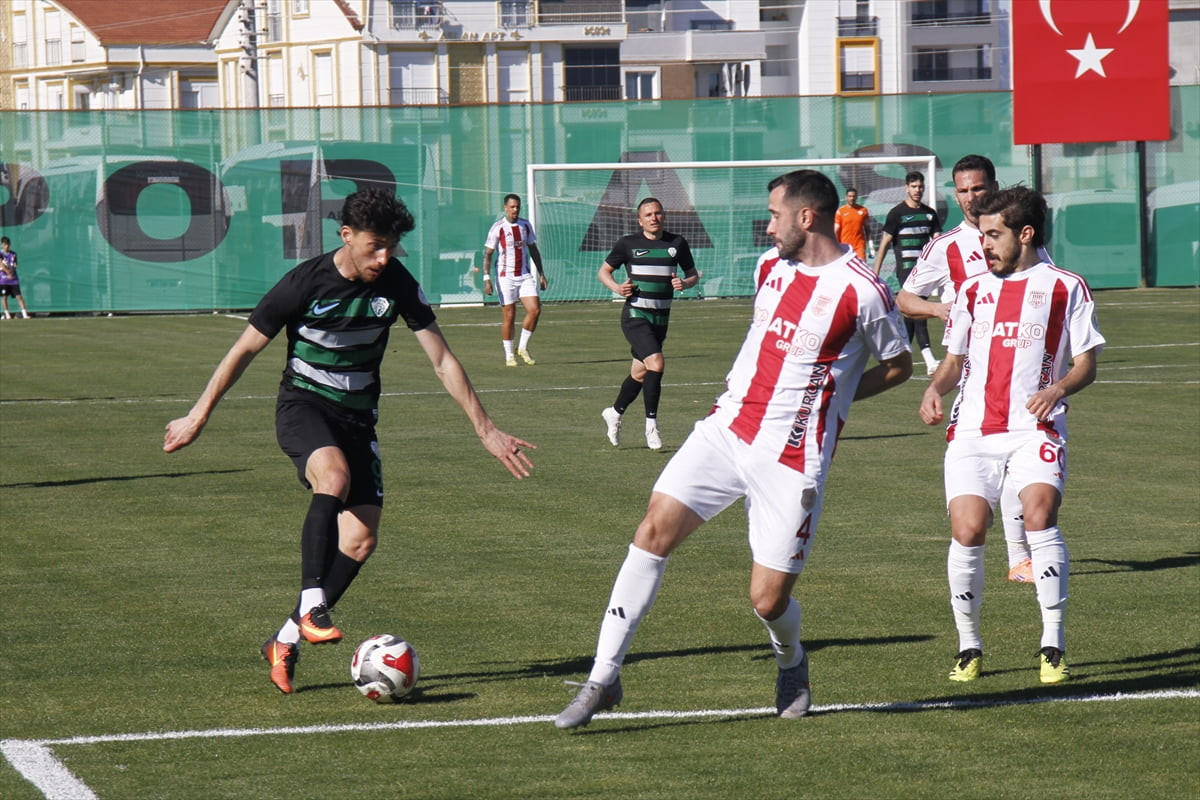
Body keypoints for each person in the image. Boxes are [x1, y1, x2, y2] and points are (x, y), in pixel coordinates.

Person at [556, 170, 912, 730]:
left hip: (793, 458)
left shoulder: (863, 290)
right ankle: (604, 675)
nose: (766, 226)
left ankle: (791, 661)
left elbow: (898, 366)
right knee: (652, 530)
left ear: (805, 217)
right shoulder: (770, 268)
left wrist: (835, 402)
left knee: (767, 601)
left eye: (773, 214)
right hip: (727, 429)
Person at [163, 188, 536, 694]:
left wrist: (486, 429)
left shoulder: (397, 283)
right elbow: (243, 350)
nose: (384, 258)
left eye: (392, 248)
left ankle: (284, 639)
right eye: (375, 246)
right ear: (347, 236)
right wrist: (197, 415)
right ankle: (313, 603)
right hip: (304, 407)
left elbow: (443, 360)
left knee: (361, 540)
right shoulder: (303, 283)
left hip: (359, 420)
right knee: (332, 476)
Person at [919, 186, 1104, 685]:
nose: (985, 245)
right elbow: (954, 359)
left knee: (1041, 515)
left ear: (1024, 234)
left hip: (1034, 428)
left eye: (994, 235)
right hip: (973, 430)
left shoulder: (1067, 286)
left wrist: (1059, 387)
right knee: (968, 531)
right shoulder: (973, 290)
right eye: (982, 235)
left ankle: (1052, 645)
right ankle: (969, 646)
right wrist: (935, 390)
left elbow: (1087, 362)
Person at [898, 154, 1037, 583]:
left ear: (993, 186)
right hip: (971, 367)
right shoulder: (946, 247)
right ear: (954, 193)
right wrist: (939, 308)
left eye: (979, 188)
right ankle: (997, 548)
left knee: (1022, 459)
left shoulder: (1022, 236)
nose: (972, 197)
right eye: (963, 190)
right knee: (987, 460)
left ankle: (1019, 557)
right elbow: (904, 298)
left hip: (1023, 364)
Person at [598, 197, 699, 450]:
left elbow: (693, 275)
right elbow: (604, 272)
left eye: (658, 213)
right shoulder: (628, 244)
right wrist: (619, 288)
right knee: (657, 363)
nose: (654, 218)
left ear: (663, 215)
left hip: (660, 318)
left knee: (640, 373)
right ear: (639, 220)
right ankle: (651, 426)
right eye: (649, 214)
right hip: (635, 316)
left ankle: (614, 412)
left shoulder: (677, 243)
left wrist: (684, 284)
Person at [873, 171, 942, 374]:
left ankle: (902, 353)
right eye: (913, 186)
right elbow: (885, 243)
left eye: (920, 186)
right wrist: (875, 273)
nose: (917, 190)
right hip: (905, 272)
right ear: (906, 188)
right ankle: (930, 360)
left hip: (924, 273)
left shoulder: (930, 214)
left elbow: (937, 244)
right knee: (919, 311)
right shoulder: (897, 214)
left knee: (911, 315)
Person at [482, 193, 547, 366]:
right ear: (505, 208)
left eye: (517, 207)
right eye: (512, 207)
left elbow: (533, 250)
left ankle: (523, 347)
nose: (515, 210)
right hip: (505, 277)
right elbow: (487, 254)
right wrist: (487, 278)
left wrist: (541, 274)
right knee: (509, 316)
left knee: (535, 310)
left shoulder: (525, 225)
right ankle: (509, 355)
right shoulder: (498, 228)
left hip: (524, 275)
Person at [0, 236, 32, 319]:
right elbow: (1, 265)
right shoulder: (0, 254)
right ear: (2, 245)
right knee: (4, 297)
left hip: (13, 280)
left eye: (8, 244)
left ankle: (25, 314)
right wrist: (7, 272)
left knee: (19, 296)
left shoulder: (13, 254)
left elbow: (15, 264)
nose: (7, 246)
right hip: (3, 279)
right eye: (5, 244)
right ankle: (7, 315)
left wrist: (12, 271)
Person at [833, 187, 869, 259]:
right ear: (846, 197)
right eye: (850, 196)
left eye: (854, 196)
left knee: (861, 267)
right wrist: (836, 245)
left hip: (859, 246)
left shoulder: (863, 210)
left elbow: (867, 228)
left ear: (856, 197)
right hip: (845, 246)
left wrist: (870, 243)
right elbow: (836, 230)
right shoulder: (840, 211)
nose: (852, 198)